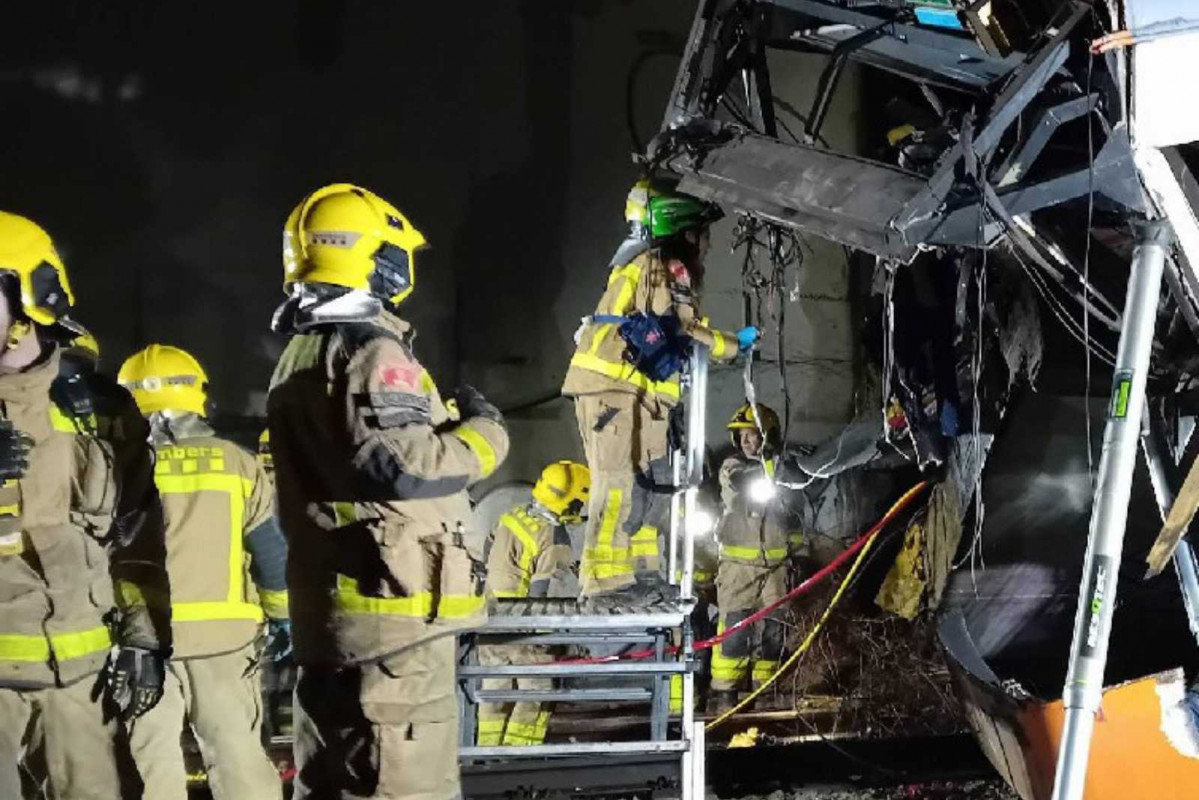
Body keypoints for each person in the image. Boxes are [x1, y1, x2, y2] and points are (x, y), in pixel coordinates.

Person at [267, 183, 509, 800]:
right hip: (394, 629)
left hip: (346, 619)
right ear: (375, 258)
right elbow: (405, 466)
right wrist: (486, 433)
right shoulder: (370, 350)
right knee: (405, 782)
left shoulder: (301, 351)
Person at [0, 212, 171, 800]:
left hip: (81, 682)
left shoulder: (96, 411)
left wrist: (146, 636)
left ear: (28, 301)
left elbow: (137, 538)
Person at [562, 179, 757, 599]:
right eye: (701, 234)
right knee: (616, 483)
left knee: (651, 482)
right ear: (682, 231)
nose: (705, 245)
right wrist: (731, 345)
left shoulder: (645, 264)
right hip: (614, 390)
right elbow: (684, 326)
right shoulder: (662, 264)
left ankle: (642, 572)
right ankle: (602, 582)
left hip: (641, 396)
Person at [117, 343, 287, 800]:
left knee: (150, 763)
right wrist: (284, 616)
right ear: (198, 395)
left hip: (142, 641)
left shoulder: (115, 467)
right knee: (238, 759)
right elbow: (270, 551)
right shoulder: (238, 463)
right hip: (225, 642)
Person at [478, 460, 587, 747]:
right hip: (524, 628)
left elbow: (487, 555)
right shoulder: (554, 537)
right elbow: (544, 597)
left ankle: (485, 755)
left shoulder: (511, 516)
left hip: (490, 621)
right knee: (535, 696)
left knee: (494, 693)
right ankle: (519, 757)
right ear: (572, 502)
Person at [709, 403, 803, 712]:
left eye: (755, 436)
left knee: (774, 631)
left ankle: (766, 690)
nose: (749, 443)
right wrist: (772, 465)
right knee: (735, 631)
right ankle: (725, 694)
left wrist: (798, 556)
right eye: (744, 437)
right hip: (738, 569)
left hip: (777, 568)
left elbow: (795, 519)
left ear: (770, 436)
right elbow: (745, 483)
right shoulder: (731, 467)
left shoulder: (787, 472)